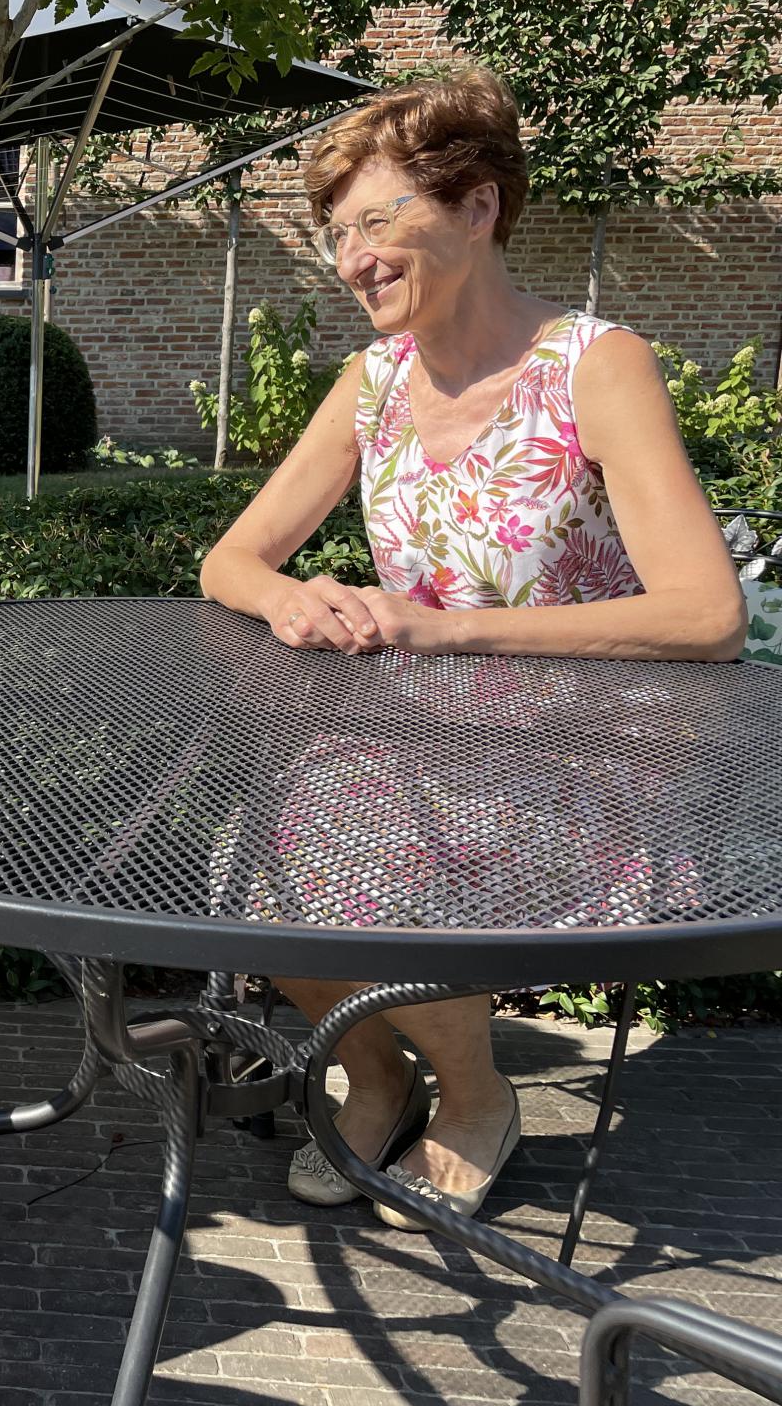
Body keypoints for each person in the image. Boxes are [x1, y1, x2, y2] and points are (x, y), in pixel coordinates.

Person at [198, 67, 744, 1229]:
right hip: (413, 741)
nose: (351, 257)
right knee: (256, 881)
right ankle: (379, 1074)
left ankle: (476, 1094)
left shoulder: (592, 366)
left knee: (353, 863)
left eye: (378, 219)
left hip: (593, 749)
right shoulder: (368, 385)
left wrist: (440, 627)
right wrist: (293, 597)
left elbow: (705, 615)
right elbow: (228, 563)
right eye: (335, 232)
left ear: (478, 205)